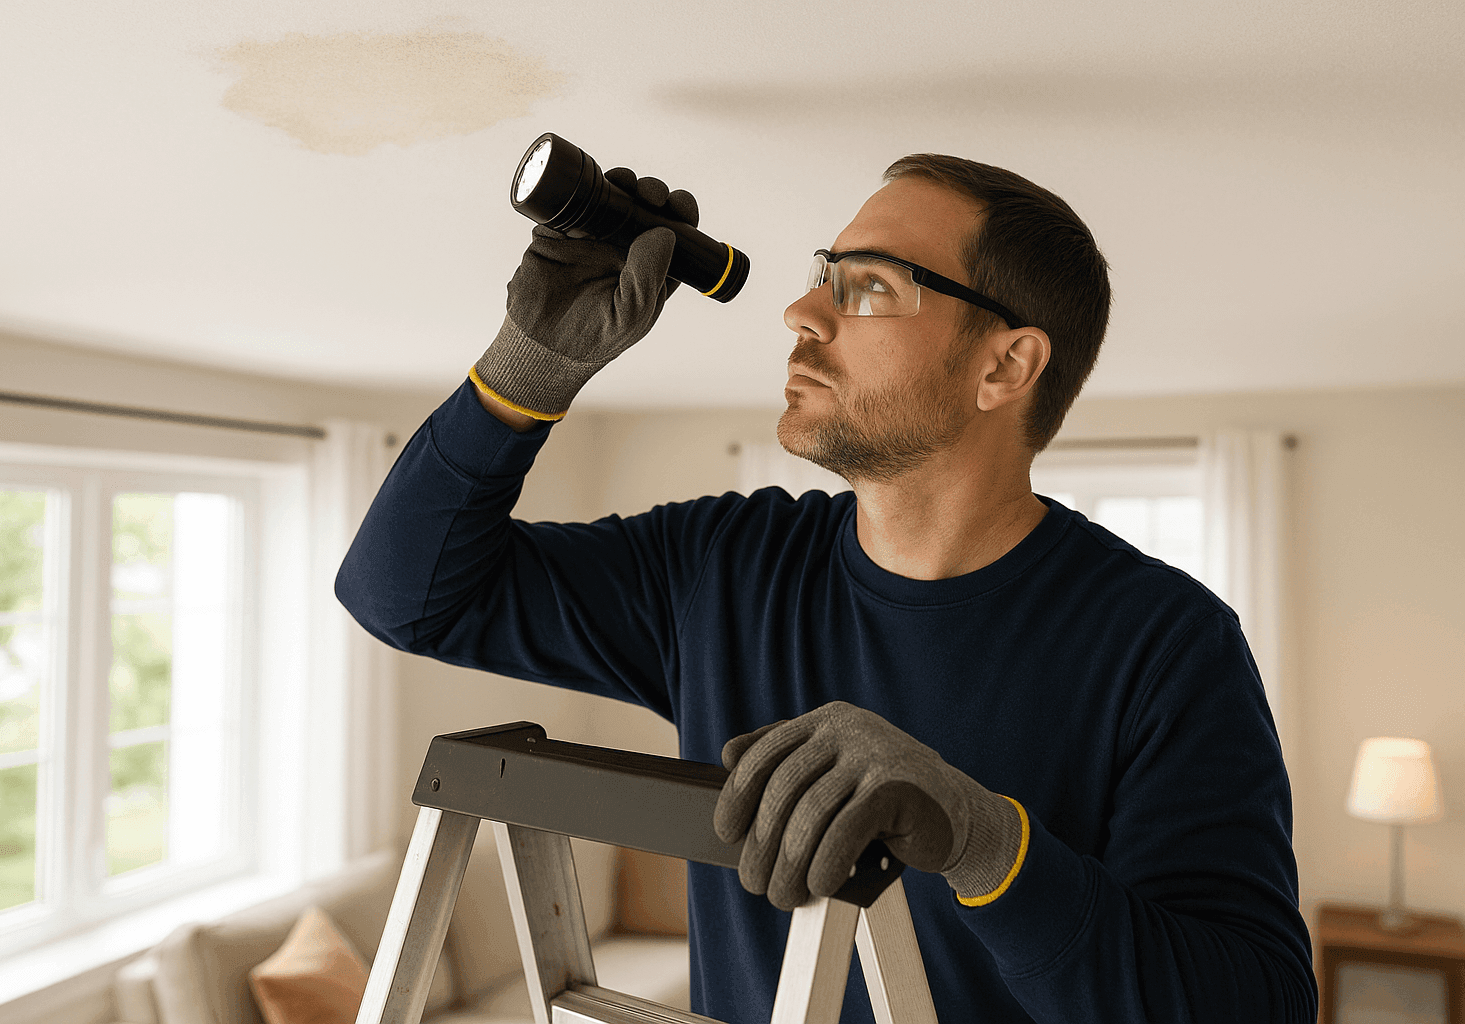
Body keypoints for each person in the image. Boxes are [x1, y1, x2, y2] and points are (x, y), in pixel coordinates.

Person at [336, 157, 1318, 1023]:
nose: (802, 314)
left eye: (870, 288)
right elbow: (406, 596)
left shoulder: (1168, 645)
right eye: (820, 279)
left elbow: (1248, 1000)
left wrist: (980, 837)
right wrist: (527, 367)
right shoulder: (723, 564)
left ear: (1005, 363)